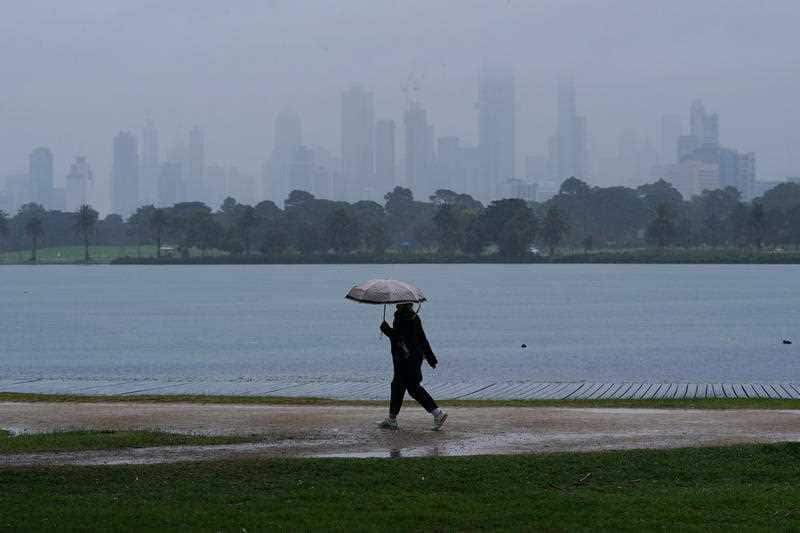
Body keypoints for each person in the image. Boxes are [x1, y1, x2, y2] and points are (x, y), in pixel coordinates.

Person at [378, 302, 447, 430]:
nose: (396, 304)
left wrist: (386, 330)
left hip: (405, 358)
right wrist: (430, 358)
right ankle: (393, 418)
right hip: (414, 358)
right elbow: (422, 338)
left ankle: (438, 413)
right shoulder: (414, 317)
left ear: (403, 304)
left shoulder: (401, 317)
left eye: (398, 302)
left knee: (406, 387)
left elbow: (399, 338)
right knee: (404, 386)